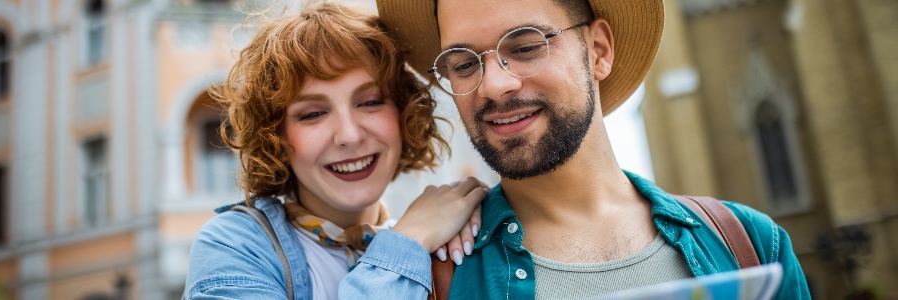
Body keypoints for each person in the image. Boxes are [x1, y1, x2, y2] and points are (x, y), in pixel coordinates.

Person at [340, 0, 812, 298]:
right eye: (464, 63)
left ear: (599, 50)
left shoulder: (750, 244)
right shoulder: (429, 279)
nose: (495, 85)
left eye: (525, 46)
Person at [183, 3, 487, 299]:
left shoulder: (440, 240)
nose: (350, 135)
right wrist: (407, 242)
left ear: (403, 113)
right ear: (275, 135)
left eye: (370, 102)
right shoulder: (234, 246)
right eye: (313, 114)